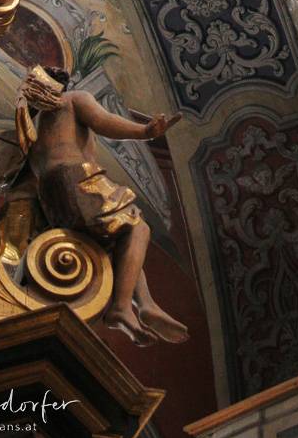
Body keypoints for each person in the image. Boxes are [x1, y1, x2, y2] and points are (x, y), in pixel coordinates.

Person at [12, 64, 189, 347]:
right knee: (138, 228)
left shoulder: (29, 129)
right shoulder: (72, 100)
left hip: (53, 200)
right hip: (78, 181)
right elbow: (104, 121)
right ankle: (121, 307)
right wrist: (145, 131)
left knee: (120, 239)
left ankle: (144, 304)